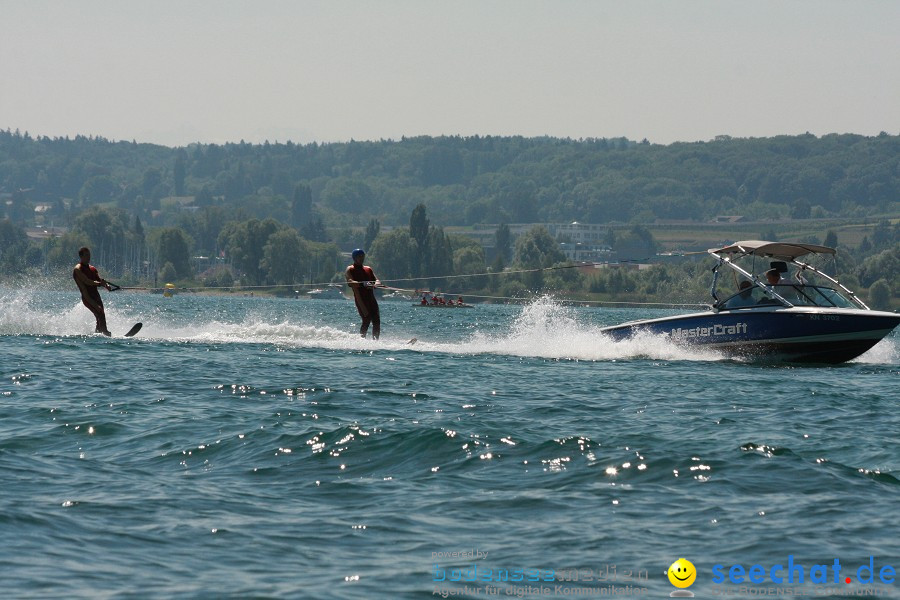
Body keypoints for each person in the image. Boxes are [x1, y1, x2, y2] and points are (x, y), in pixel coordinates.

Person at [73, 246, 112, 336]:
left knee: (100, 313)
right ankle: (105, 332)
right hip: (87, 297)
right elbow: (87, 281)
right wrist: (100, 284)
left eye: (89, 255)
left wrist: (106, 286)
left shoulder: (93, 268)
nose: (89, 257)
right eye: (86, 255)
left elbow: (99, 280)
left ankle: (98, 333)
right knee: (99, 311)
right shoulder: (77, 269)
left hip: (96, 295)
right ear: (81, 256)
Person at [345, 248, 381, 339]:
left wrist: (376, 284)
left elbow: (377, 280)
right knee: (367, 319)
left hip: (371, 299)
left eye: (363, 256)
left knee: (376, 320)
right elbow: (350, 281)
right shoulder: (350, 269)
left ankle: (375, 341)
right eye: (359, 256)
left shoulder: (368, 269)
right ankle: (362, 340)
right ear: (354, 258)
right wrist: (363, 284)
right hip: (361, 299)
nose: (362, 258)